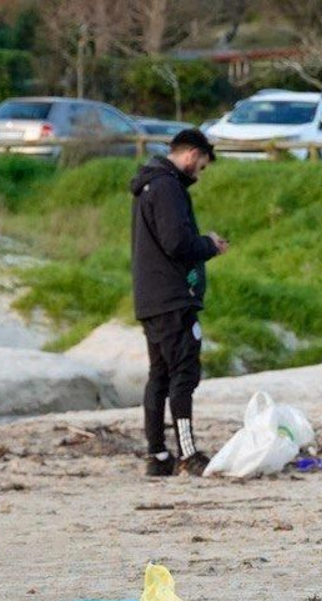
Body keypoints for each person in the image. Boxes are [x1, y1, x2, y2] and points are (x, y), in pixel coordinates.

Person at [131, 128, 227, 477]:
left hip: (150, 296)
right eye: (201, 165)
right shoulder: (168, 187)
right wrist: (209, 245)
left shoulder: (149, 185)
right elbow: (176, 243)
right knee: (183, 374)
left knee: (159, 375)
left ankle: (157, 455)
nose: (200, 173)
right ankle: (187, 453)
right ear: (192, 154)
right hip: (171, 298)